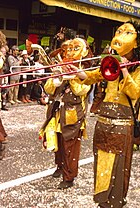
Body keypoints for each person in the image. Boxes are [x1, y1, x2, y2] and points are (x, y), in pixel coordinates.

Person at [70, 20, 140, 208]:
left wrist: (124, 70)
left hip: (123, 124)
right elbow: (94, 76)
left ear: (137, 41)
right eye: (119, 31)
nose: (120, 35)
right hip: (103, 122)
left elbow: (134, 92)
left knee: (117, 169)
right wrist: (79, 73)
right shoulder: (109, 61)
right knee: (102, 167)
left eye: (127, 32)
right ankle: (102, 207)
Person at [40, 37, 92, 190]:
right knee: (57, 142)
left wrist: (72, 77)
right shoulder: (60, 65)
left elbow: (82, 90)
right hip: (57, 111)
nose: (70, 52)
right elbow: (49, 89)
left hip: (73, 113)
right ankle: (60, 166)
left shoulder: (86, 70)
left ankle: (69, 176)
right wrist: (55, 79)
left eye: (75, 48)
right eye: (68, 49)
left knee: (70, 146)